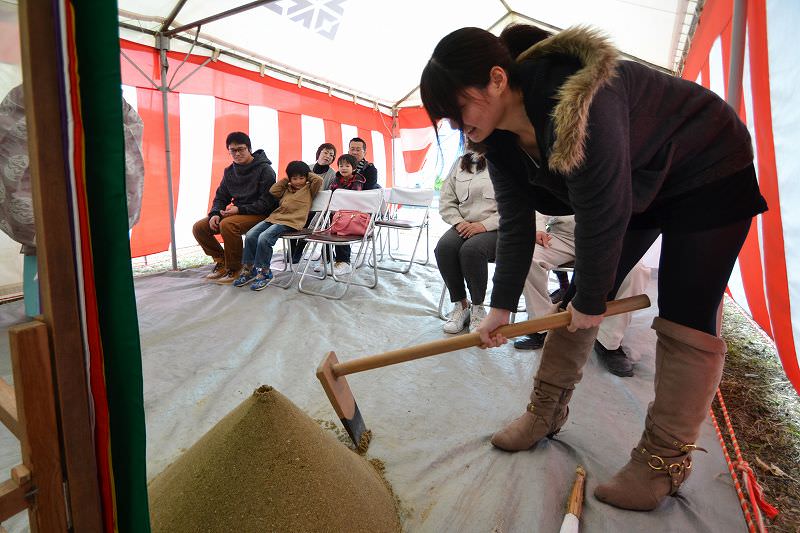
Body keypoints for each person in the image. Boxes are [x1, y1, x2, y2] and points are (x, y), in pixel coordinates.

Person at [419, 24, 767, 511]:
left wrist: (590, 302)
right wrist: (500, 308)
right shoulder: (497, 139)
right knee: (580, 295)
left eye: (457, 110)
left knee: (687, 314)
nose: (457, 126)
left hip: (706, 164)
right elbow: (517, 227)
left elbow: (604, 214)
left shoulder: (582, 103)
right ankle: (543, 413)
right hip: (641, 181)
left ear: (497, 79)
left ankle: (662, 462)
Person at [515, 213, 650, 379]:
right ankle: (541, 326)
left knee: (636, 271)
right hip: (563, 236)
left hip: (608, 238)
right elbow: (537, 207)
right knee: (525, 257)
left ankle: (608, 342)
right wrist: (538, 229)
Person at [192, 132, 277, 283]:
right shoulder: (229, 171)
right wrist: (215, 213)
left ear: (249, 148)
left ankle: (237, 268)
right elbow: (220, 196)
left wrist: (239, 210)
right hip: (238, 213)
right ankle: (223, 261)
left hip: (262, 214)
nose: (237, 153)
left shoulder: (265, 170)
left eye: (241, 149)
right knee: (200, 227)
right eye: (233, 150)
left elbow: (267, 203)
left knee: (228, 224)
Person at [435, 152, 499, 333]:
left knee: (472, 250)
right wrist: (458, 221)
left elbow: (514, 205)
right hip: (464, 224)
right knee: (444, 248)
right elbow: (447, 200)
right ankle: (461, 305)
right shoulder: (460, 163)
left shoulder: (504, 161)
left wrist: (484, 225)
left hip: (497, 228)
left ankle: (478, 308)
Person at [234, 161, 322, 291]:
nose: (298, 181)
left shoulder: (310, 189)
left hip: (292, 222)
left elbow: (319, 180)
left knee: (264, 238)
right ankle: (249, 268)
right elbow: (273, 190)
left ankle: (265, 273)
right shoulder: (287, 188)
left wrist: (306, 173)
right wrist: (288, 176)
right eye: (294, 178)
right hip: (275, 218)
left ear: (307, 178)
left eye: (301, 178)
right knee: (251, 235)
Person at [315, 153, 365, 276]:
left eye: (347, 166)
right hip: (334, 213)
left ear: (353, 168)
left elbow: (353, 198)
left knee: (341, 234)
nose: (343, 168)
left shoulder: (357, 180)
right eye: (341, 166)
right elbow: (331, 194)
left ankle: (344, 261)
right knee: (326, 232)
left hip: (349, 215)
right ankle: (326, 259)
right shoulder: (336, 179)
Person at [291, 142, 338, 263]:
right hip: (301, 204)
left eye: (331, 155)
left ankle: (299, 250)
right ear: (318, 154)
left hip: (318, 208)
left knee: (309, 219)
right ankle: (291, 250)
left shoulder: (332, 175)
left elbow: (329, 195)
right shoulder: (306, 168)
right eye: (325, 152)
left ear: (332, 159)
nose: (327, 156)